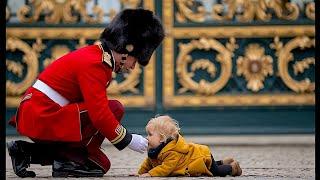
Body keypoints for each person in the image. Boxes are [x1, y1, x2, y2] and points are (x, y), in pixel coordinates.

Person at [7, 8, 165, 178]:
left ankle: (26, 152)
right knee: (114, 109)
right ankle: (69, 161)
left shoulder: (97, 57)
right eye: (136, 59)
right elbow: (99, 114)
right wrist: (128, 139)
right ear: (128, 49)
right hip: (41, 114)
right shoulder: (96, 64)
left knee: (100, 164)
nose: (133, 67)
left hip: (42, 113)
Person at [138, 115, 242, 177]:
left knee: (215, 171)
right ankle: (222, 162)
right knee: (210, 165)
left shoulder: (172, 152)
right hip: (192, 159)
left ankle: (232, 168)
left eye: (150, 135)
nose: (147, 137)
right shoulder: (155, 150)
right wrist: (140, 173)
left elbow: (166, 168)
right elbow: (148, 162)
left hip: (199, 156)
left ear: (162, 138)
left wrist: (151, 174)